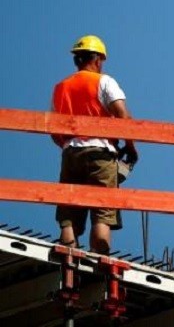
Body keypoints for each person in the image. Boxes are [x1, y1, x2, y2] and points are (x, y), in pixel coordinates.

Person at [51, 35, 138, 254]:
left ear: (76, 60)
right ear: (98, 59)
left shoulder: (61, 87)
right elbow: (122, 116)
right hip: (101, 152)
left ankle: (68, 254)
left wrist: (68, 144)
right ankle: (100, 255)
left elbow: (53, 129)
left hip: (71, 153)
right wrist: (130, 147)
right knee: (102, 210)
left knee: (69, 212)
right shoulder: (104, 81)